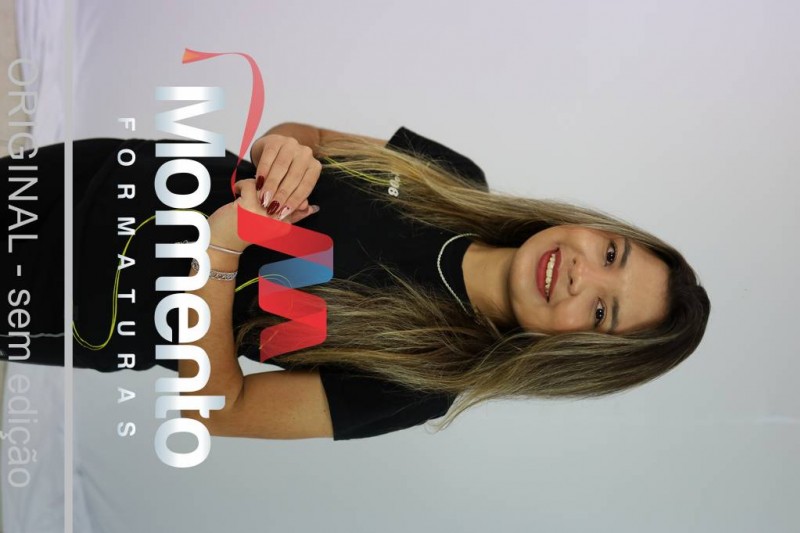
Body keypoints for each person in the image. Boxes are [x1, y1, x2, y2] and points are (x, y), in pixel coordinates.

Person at [0, 123, 710, 441]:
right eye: (610, 253)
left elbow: (218, 409)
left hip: (80, 302)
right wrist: (284, 151)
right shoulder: (454, 177)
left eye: (601, 312)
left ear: (575, 354)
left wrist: (222, 249)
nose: (581, 275)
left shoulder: (423, 382)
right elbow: (301, 137)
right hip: (106, 179)